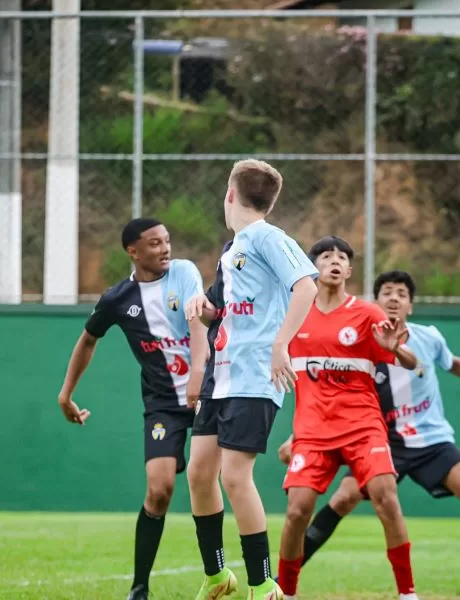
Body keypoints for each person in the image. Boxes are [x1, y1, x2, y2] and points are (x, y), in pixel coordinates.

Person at [280, 269, 460, 600]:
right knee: (342, 499)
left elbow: (452, 363)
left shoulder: (427, 337)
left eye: (402, 294)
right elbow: (328, 389)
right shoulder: (360, 337)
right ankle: (284, 585)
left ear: (410, 306)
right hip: (382, 439)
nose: (394, 298)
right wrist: (297, 436)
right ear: (375, 301)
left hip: (431, 440)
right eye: (387, 292)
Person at [184, 159, 319, 600]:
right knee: (200, 472)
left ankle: (264, 585)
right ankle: (218, 575)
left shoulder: (268, 236)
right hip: (221, 378)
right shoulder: (233, 249)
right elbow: (220, 307)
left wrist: (282, 344)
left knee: (235, 477)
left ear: (229, 193)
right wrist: (199, 304)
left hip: (256, 377)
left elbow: (306, 286)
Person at [56, 218, 209, 600]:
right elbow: (87, 341)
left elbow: (198, 325)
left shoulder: (184, 272)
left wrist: (198, 375)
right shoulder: (117, 299)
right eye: (155, 243)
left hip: (207, 393)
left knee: (209, 483)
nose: (165, 248)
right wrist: (66, 394)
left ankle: (218, 574)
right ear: (133, 251)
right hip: (162, 406)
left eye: (167, 240)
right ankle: (139, 587)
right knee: (159, 490)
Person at [276, 237, 420, 600]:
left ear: (349, 270)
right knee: (297, 512)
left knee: (386, 497)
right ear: (313, 268)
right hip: (312, 430)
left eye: (342, 257)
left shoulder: (367, 314)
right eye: (326, 256)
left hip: (362, 427)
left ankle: (408, 593)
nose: (335, 261)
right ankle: (285, 593)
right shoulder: (293, 315)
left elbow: (412, 362)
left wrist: (395, 351)